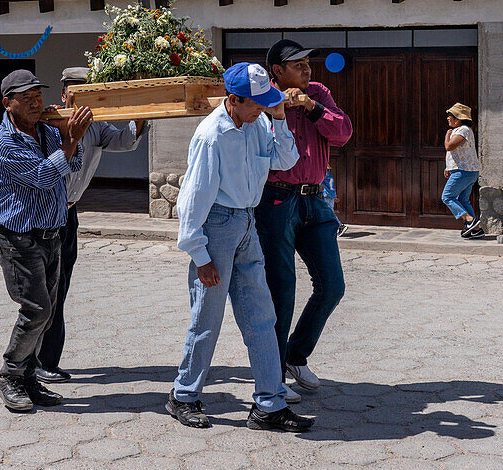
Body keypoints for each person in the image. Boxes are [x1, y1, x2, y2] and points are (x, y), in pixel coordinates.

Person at [168, 61, 313, 433]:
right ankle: (184, 396)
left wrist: (279, 118)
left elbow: (287, 159)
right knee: (207, 319)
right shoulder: (210, 136)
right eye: (257, 103)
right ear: (233, 99)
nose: (264, 107)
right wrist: (200, 256)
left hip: (246, 223)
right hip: (215, 227)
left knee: (262, 318)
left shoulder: (258, 122)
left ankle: (269, 405)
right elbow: (192, 201)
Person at [35, 66, 146, 383]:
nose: (83, 98)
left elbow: (126, 140)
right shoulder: (49, 123)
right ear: (64, 94)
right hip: (44, 214)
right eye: (76, 92)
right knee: (44, 291)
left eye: (89, 91)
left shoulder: (97, 125)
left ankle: (46, 359)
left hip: (69, 213)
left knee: (61, 286)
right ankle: (35, 360)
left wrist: (140, 112)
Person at [0, 69, 92, 412]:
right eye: (27, 99)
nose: (36, 105)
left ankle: (28, 378)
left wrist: (69, 138)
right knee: (36, 310)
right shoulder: (4, 142)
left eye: (38, 97)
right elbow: (43, 176)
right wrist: (70, 141)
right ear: (8, 104)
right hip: (20, 240)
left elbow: (72, 163)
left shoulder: (46, 132)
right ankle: (9, 374)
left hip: (52, 236)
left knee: (47, 314)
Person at [255, 40, 353, 396]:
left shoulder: (318, 93)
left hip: (316, 201)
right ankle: (273, 376)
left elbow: (342, 133)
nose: (307, 69)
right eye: (298, 65)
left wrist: (311, 106)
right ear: (277, 72)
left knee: (332, 286)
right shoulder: (261, 97)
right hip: (276, 200)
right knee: (281, 289)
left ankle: (296, 355)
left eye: (308, 63)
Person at [442, 102, 484, 239]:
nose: (448, 118)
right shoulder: (461, 130)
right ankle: (476, 230)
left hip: (464, 171)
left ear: (458, 119)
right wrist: (449, 167)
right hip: (465, 170)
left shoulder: (463, 130)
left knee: (447, 197)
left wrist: (447, 135)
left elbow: (449, 146)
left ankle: (470, 220)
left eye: (451, 116)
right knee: (463, 199)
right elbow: (458, 153)